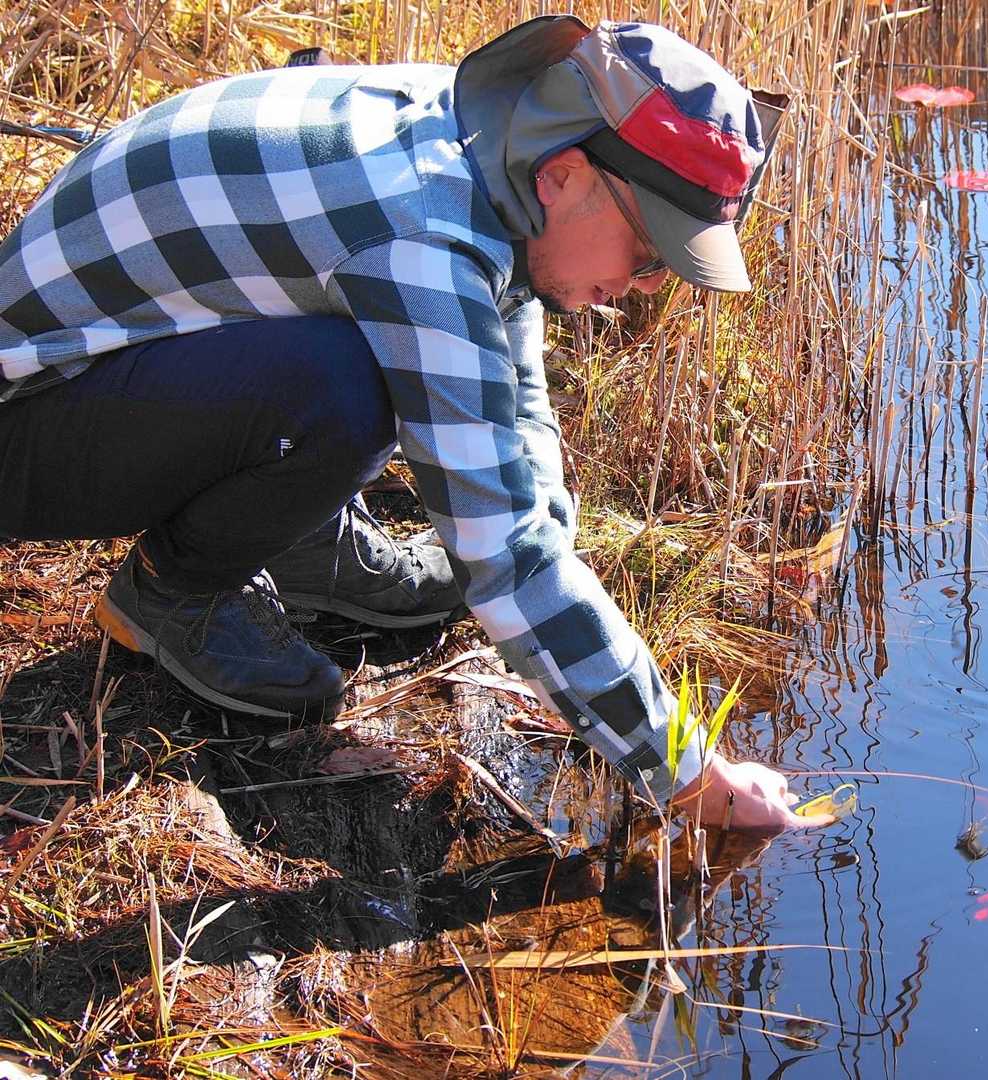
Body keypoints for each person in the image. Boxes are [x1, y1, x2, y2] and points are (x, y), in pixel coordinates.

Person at [0, 15, 826, 830]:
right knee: (351, 382)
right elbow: (505, 561)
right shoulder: (423, 234)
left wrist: (547, 511)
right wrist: (689, 773)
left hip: (122, 370)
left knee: (372, 366)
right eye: (648, 252)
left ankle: (302, 543)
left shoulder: (482, 138)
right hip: (25, 426)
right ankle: (176, 593)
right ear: (564, 175)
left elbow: (510, 351)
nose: (647, 285)